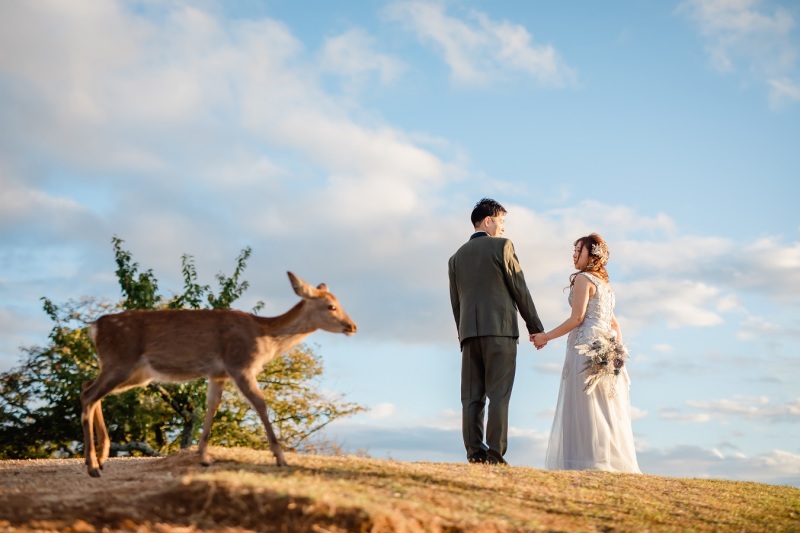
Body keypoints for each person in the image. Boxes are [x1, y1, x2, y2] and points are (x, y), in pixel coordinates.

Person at [532, 233, 640, 472]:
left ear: (591, 255)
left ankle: (583, 462)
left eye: (578, 251)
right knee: (602, 407)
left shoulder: (583, 279)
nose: (573, 256)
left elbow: (578, 318)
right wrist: (616, 355)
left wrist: (546, 336)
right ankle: (606, 460)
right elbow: (615, 325)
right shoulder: (606, 287)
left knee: (582, 405)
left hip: (584, 348)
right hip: (604, 348)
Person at [448, 198, 544, 465]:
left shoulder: (455, 258)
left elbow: (456, 303)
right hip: (500, 332)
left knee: (471, 398)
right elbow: (519, 288)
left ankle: (474, 454)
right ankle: (494, 455)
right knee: (498, 395)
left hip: (468, 335)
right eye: (501, 221)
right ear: (488, 221)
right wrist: (535, 327)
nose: (503, 228)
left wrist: (463, 336)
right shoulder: (503, 246)